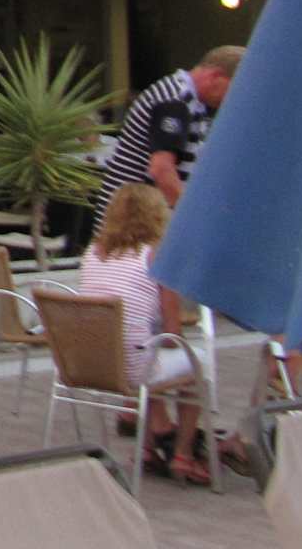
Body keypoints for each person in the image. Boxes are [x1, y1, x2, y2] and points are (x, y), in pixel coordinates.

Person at [79, 185, 210, 484]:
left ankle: (150, 447)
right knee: (194, 364)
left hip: (90, 364)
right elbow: (173, 333)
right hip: (133, 369)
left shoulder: (93, 252)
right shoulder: (157, 257)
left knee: (143, 350)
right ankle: (183, 454)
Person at [94, 46, 246, 223]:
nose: (231, 99)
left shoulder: (189, 101)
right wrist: (192, 218)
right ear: (215, 76)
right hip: (134, 219)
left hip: (134, 216)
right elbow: (161, 169)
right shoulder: (175, 101)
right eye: (234, 90)